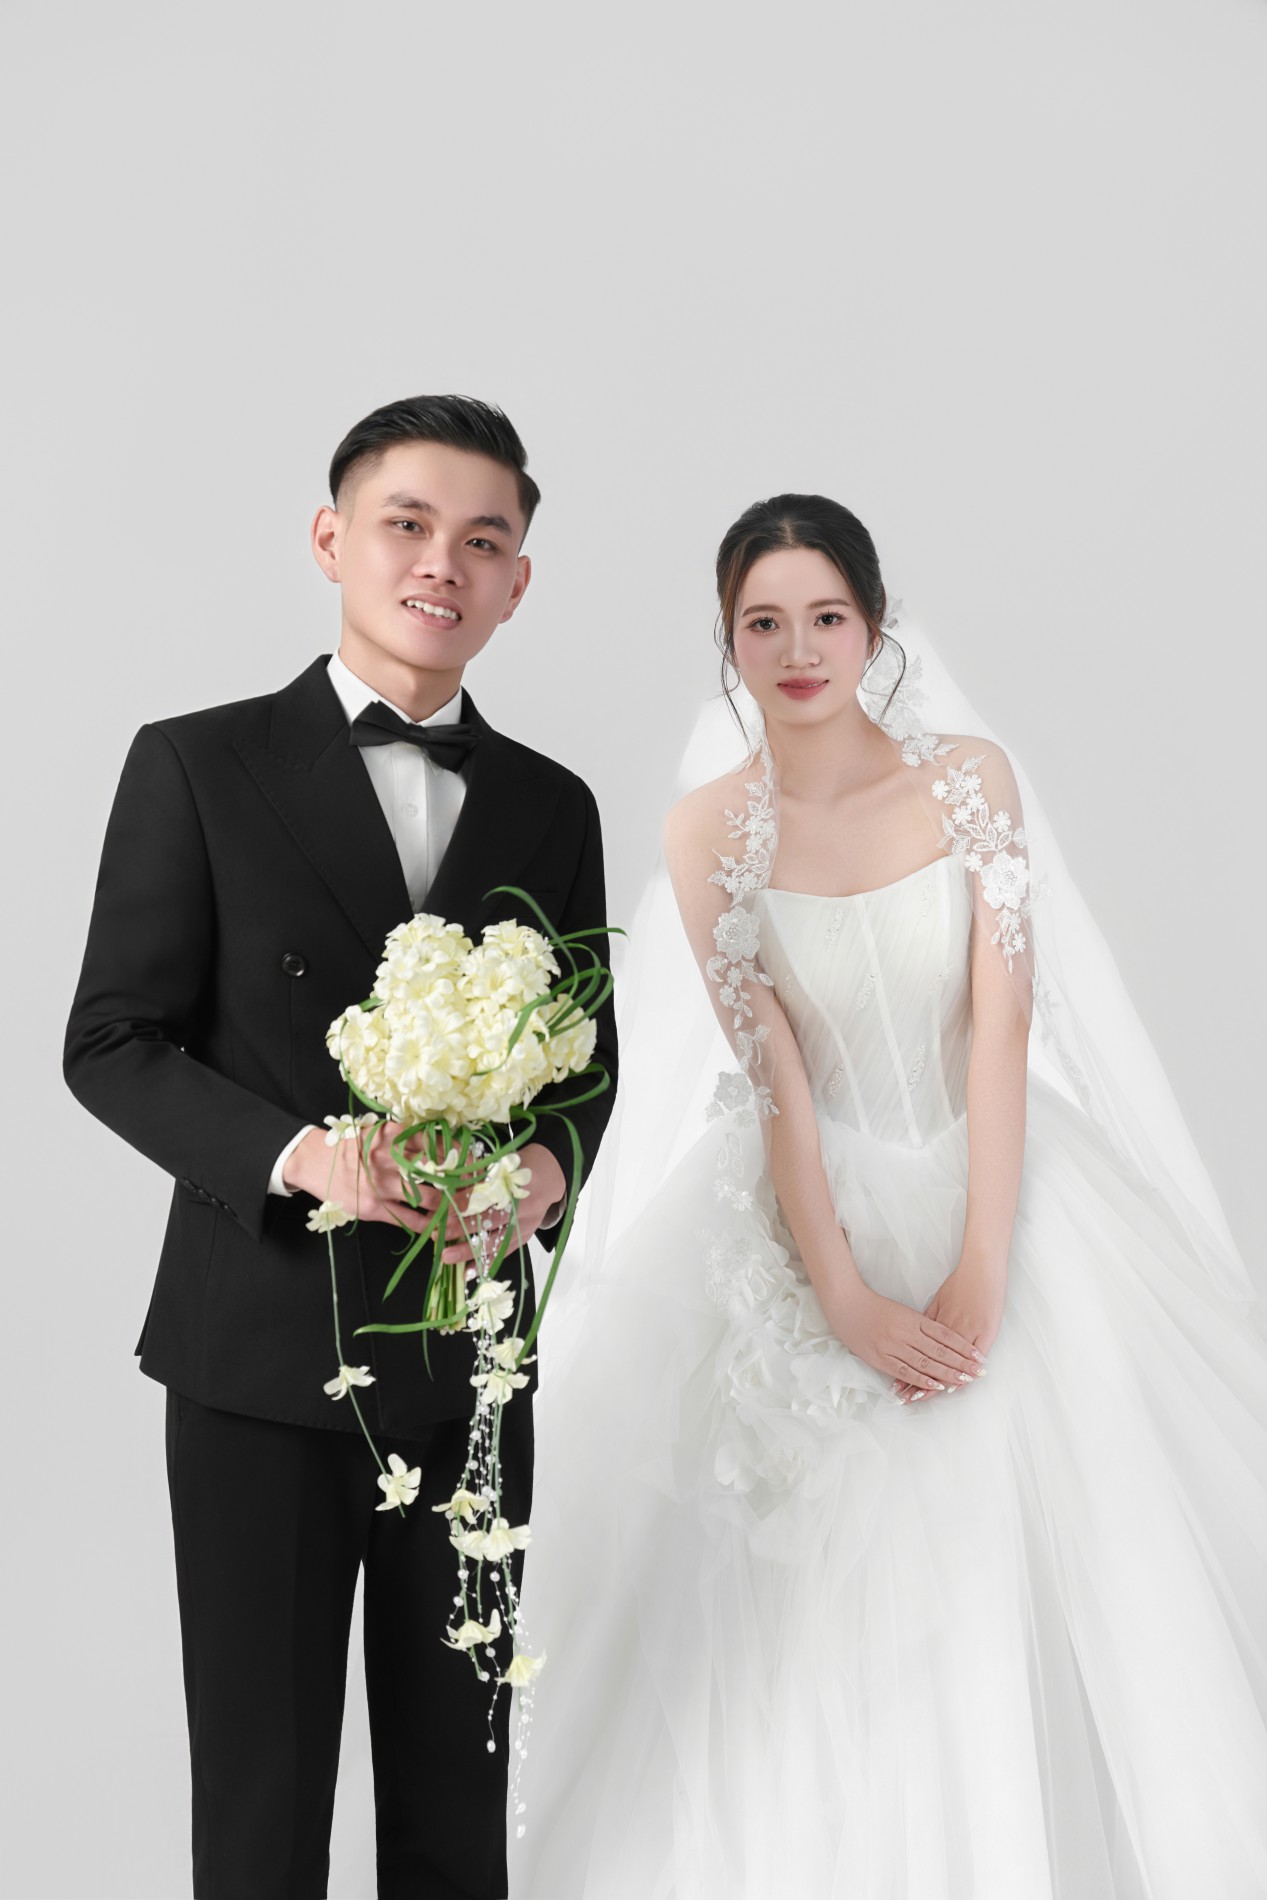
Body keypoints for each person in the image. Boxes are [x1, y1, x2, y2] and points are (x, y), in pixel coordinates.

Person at [511, 495, 1267, 1898]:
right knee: (807, 1615)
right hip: (812, 1205)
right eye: (764, 623)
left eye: (827, 617)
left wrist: (984, 1259)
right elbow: (777, 1079)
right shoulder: (706, 831)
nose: (799, 650)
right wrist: (847, 1294)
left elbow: (1001, 1023)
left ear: (873, 625)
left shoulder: (969, 781)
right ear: (729, 641)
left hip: (1005, 1183)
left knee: (1050, 1551)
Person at [63, 393, 618, 1900]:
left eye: (482, 540)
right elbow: (111, 1041)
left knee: (459, 1806)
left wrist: (541, 1174)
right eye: (407, 524)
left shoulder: (552, 805)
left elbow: (588, 1067)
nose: (443, 562)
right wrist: (303, 1155)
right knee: (263, 1808)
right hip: (257, 1351)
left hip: (470, 1363)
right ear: (331, 539)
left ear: (517, 583)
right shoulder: (198, 763)